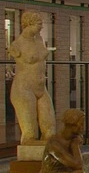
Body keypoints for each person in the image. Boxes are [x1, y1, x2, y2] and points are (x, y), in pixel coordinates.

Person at [10, 10, 55, 143]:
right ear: (29, 24)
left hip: (41, 88)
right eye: (39, 24)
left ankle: (48, 154)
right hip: (24, 89)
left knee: (50, 132)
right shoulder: (17, 45)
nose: (42, 27)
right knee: (29, 134)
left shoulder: (40, 39)